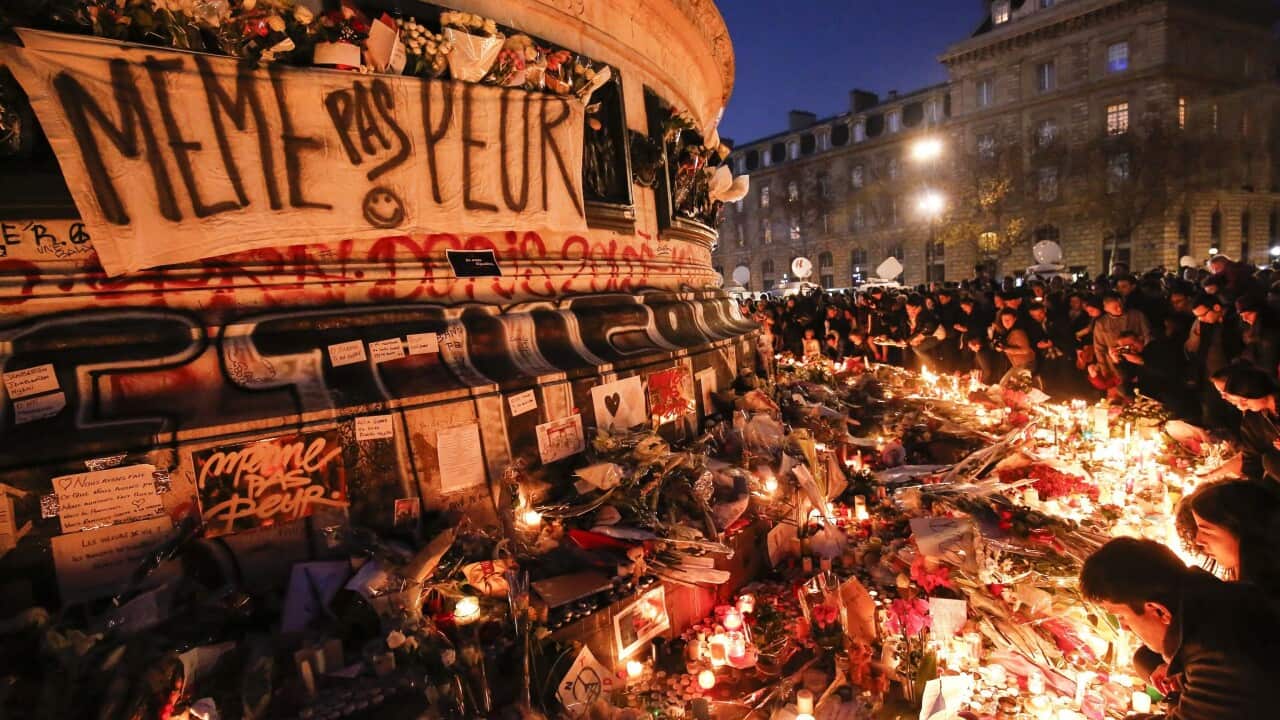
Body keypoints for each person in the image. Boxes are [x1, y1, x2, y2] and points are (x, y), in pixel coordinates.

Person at [1080, 537, 1280, 719]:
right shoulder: (1216, 595)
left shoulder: (1217, 658)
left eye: (1122, 616)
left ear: (1159, 611)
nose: (1124, 627)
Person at [1174, 479, 1280, 597]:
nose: (1198, 541)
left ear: (1244, 532)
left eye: (1206, 531)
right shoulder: (1241, 581)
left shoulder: (1259, 604)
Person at [1187, 294, 1244, 429]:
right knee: (1212, 417)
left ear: (1217, 307)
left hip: (1233, 379)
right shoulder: (1205, 325)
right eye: (1198, 317)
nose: (1201, 319)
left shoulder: (1236, 322)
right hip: (1210, 378)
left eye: (1203, 315)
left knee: (1233, 417)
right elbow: (1196, 349)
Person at [1220, 366, 1280, 485]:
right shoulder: (1253, 418)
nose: (1241, 407)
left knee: (1270, 461)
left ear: (1257, 390)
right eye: (1236, 403)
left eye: (1244, 401)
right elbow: (1251, 454)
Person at [1093, 292, 1150, 381]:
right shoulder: (1101, 323)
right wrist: (1103, 367)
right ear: (1106, 308)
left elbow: (1147, 336)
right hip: (1115, 363)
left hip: (1138, 360)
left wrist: (1146, 358)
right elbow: (1099, 347)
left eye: (1121, 305)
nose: (1120, 309)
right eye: (1115, 307)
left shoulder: (1137, 315)